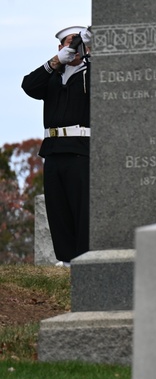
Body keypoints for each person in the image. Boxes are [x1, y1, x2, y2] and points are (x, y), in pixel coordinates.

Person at [21, 25, 92, 264]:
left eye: (76, 43)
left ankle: (85, 259)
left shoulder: (88, 72)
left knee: (82, 209)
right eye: (69, 43)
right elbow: (28, 86)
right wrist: (55, 62)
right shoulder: (52, 76)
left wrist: (91, 53)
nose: (73, 48)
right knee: (58, 208)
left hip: (81, 150)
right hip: (52, 150)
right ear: (60, 47)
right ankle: (66, 259)